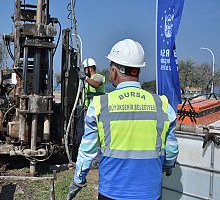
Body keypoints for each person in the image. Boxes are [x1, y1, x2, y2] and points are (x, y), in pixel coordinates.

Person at [67, 39, 179, 200]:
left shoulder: (99, 105)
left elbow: (87, 151)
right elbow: (172, 150)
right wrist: (167, 167)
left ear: (113, 71)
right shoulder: (162, 104)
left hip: (111, 192)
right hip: (150, 193)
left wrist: (78, 180)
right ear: (138, 71)